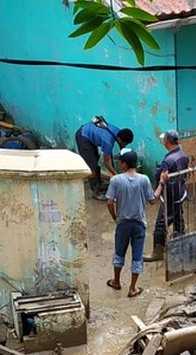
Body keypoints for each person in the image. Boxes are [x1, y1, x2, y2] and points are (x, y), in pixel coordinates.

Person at [106, 149, 167, 298]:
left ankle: (116, 281)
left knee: (119, 252)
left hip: (123, 223)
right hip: (139, 224)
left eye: (121, 161)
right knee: (137, 256)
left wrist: (116, 218)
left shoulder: (116, 180)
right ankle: (133, 288)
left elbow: (109, 203)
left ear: (124, 164)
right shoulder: (144, 179)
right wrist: (161, 183)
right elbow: (153, 200)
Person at [145, 129, 190, 262]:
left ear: (167, 142)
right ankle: (181, 240)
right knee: (177, 217)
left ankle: (158, 251)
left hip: (170, 195)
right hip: (180, 192)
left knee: (161, 223)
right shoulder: (183, 154)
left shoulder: (169, 160)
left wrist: (158, 172)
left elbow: (158, 176)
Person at [75, 116, 134, 197]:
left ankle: (98, 184)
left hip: (89, 132)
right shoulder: (108, 142)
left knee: (95, 162)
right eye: (125, 144)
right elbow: (106, 162)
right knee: (92, 170)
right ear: (120, 140)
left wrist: (122, 153)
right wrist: (117, 176)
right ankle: (92, 189)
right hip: (83, 137)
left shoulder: (118, 132)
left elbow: (120, 147)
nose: (125, 145)